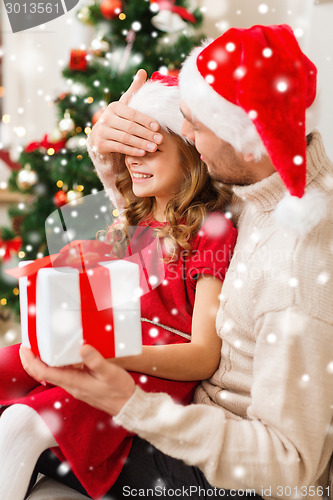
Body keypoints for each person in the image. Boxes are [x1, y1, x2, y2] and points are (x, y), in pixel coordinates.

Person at [22, 24, 333, 500]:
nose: (185, 135)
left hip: (227, 474)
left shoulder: (297, 268)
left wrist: (132, 404)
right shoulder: (254, 186)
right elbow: (164, 222)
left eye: (196, 126)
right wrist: (109, 150)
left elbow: (288, 467)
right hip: (192, 414)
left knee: (31, 433)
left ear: (245, 137)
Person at [0, 73, 236, 500]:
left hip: (147, 372)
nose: (131, 161)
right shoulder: (137, 220)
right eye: (126, 151)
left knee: (23, 425)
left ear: (189, 149)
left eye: (147, 148)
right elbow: (111, 298)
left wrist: (108, 353)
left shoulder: (211, 230)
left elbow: (203, 355)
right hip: (105, 345)